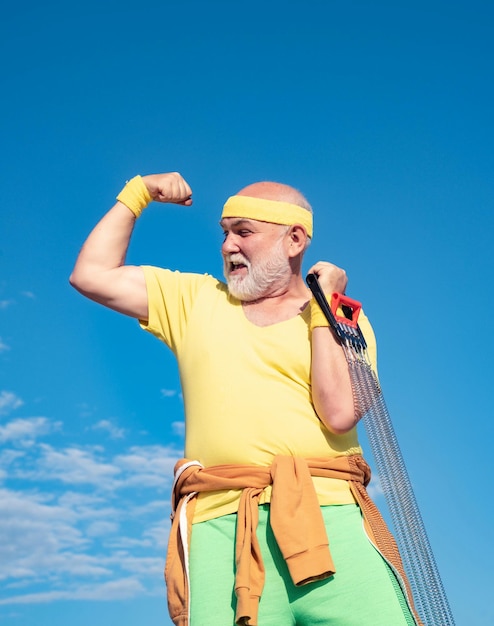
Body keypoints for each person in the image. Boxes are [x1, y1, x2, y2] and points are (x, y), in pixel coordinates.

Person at [70, 172, 420, 626]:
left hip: (332, 519)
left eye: (244, 232)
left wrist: (325, 303)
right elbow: (91, 275)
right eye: (225, 233)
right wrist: (139, 194)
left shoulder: (343, 316)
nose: (227, 245)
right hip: (220, 529)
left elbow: (339, 412)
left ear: (294, 240)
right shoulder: (193, 299)